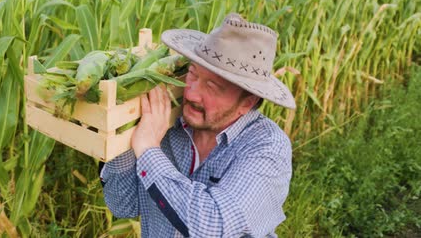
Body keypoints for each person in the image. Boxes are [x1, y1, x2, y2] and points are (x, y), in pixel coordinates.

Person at [100, 13, 296, 237]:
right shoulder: (163, 123)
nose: (191, 94)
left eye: (212, 87)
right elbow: (123, 205)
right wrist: (124, 127)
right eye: (193, 74)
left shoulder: (267, 147)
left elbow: (212, 227)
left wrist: (148, 149)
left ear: (247, 101)